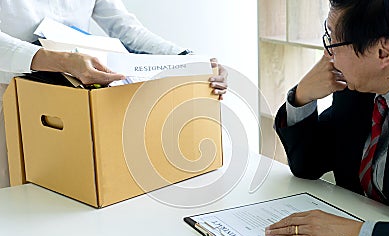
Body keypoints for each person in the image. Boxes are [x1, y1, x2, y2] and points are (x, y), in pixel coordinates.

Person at [0, 0, 228, 188]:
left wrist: (189, 59)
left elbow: (125, 28)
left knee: (70, 194)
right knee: (14, 196)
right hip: (9, 93)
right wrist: (61, 60)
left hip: (75, 95)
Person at [266, 0, 389, 236]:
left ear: (383, 52)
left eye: (333, 43)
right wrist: (302, 95)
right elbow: (308, 164)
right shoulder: (358, 93)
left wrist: (354, 235)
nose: (328, 56)